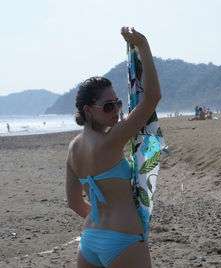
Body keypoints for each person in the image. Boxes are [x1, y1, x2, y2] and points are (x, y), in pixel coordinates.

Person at [65, 26, 160, 268]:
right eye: (108, 106)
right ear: (88, 110)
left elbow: (74, 203)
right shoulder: (111, 141)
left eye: (117, 104)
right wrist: (144, 45)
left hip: (89, 242)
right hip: (123, 241)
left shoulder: (73, 149)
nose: (117, 110)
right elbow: (151, 98)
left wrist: (103, 227)